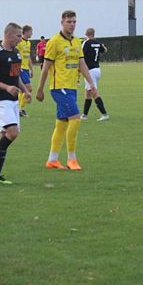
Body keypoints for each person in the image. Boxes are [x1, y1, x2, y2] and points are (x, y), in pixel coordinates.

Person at [35, 10, 98, 171]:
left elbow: (82, 64)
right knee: (75, 119)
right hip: (59, 88)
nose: (72, 24)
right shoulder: (54, 42)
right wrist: (40, 89)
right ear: (62, 22)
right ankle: (72, 159)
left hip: (72, 87)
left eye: (74, 21)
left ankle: (52, 160)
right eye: (69, 21)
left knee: (61, 124)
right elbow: (45, 68)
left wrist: (91, 84)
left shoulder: (77, 42)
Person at [0, 23, 32, 184]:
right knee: (13, 132)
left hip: (13, 101)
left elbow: (15, 76)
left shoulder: (16, 53)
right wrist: (7, 87)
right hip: (0, 101)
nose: (21, 38)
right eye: (18, 35)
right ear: (9, 35)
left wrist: (25, 91)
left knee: (4, 135)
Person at [81, 27, 109, 121]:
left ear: (86, 34)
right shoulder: (98, 43)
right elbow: (105, 50)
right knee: (87, 92)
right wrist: (103, 46)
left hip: (90, 71)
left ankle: (104, 114)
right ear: (93, 34)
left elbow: (80, 54)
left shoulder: (86, 43)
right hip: (97, 69)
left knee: (93, 92)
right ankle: (84, 115)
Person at [16, 25, 35, 117]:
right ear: (26, 32)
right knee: (28, 88)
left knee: (21, 90)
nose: (32, 33)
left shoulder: (28, 43)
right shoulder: (19, 42)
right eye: (31, 32)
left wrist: (31, 69)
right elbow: (14, 53)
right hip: (20, 68)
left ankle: (19, 109)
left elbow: (28, 57)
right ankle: (20, 109)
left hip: (26, 69)